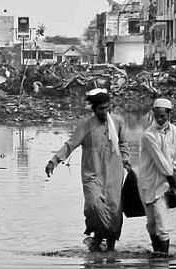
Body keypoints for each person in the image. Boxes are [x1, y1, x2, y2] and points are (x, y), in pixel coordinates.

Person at [45, 88, 132, 252]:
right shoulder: (86, 125)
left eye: (107, 108)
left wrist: (127, 160)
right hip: (93, 174)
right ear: (94, 109)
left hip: (114, 173)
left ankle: (109, 247)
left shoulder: (118, 121)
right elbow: (71, 144)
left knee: (114, 211)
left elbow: (123, 143)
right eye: (101, 109)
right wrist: (54, 160)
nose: (105, 112)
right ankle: (98, 236)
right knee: (94, 207)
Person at [138, 98, 176, 258]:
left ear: (169, 114)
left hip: (165, 182)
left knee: (162, 224)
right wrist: (174, 181)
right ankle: (157, 253)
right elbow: (161, 162)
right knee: (151, 223)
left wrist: (175, 177)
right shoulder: (148, 135)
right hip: (149, 182)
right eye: (157, 116)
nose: (160, 119)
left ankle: (162, 260)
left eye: (163, 116)